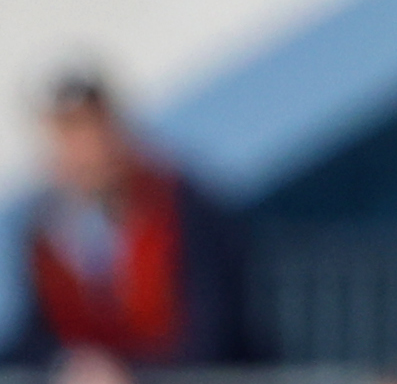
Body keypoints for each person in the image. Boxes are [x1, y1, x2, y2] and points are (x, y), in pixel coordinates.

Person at [11, 68, 258, 367]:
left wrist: (127, 379)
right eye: (66, 132)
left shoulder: (184, 209)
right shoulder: (47, 229)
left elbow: (213, 334)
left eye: (91, 127)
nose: (85, 148)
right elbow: (39, 336)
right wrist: (68, 371)